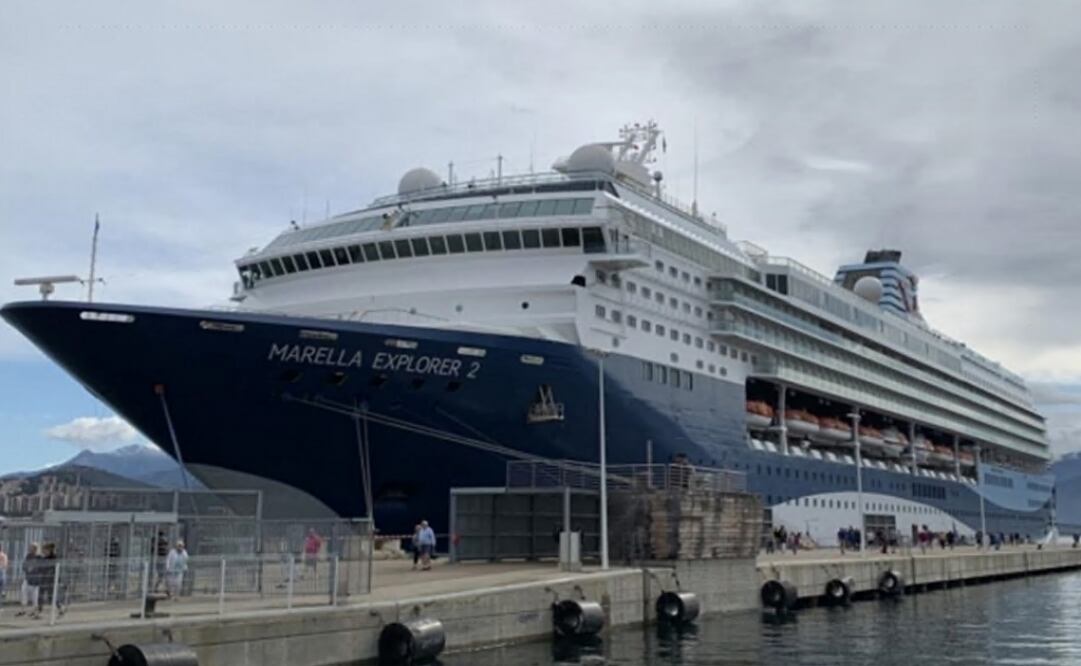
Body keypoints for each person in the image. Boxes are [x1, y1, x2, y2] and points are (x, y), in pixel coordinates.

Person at [17, 543, 40, 616]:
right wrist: (27, 569)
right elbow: (24, 565)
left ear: (35, 549)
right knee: (23, 592)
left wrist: (34, 569)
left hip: (35, 581)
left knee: (34, 597)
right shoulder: (28, 556)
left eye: (31, 547)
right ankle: (23, 610)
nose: (30, 549)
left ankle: (35, 612)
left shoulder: (39, 557)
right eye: (30, 547)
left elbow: (41, 567)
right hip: (27, 578)